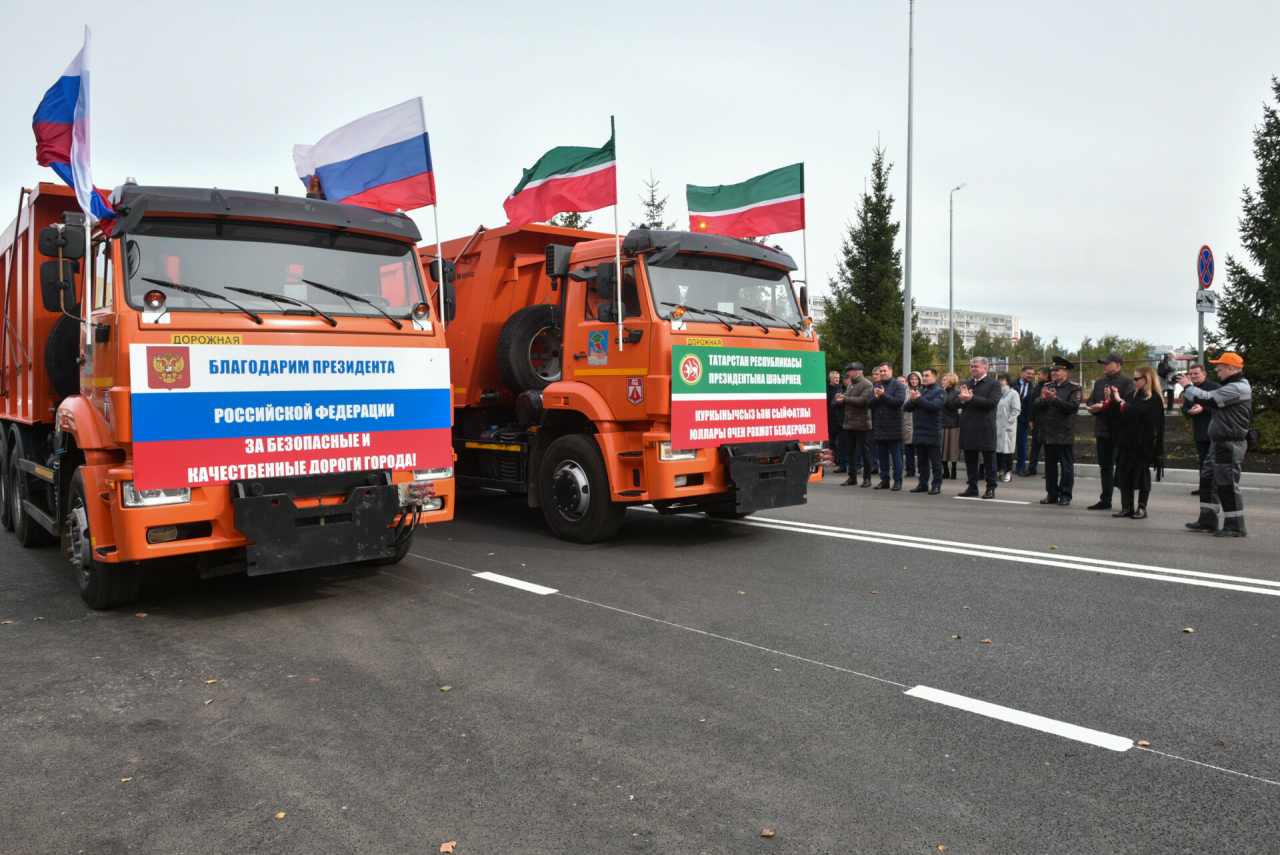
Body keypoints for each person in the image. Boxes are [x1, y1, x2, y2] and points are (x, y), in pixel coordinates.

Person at [1180, 353, 1253, 537]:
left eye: (1220, 370)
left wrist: (1187, 386)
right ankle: (1208, 520)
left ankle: (1235, 526)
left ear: (1230, 368)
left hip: (1228, 443)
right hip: (1219, 442)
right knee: (1208, 480)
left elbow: (1207, 399)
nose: (1218, 375)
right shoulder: (1233, 386)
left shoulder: (1237, 388)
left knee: (1227, 484)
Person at [1105, 365, 1164, 519]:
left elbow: (1140, 415)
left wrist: (1120, 401)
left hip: (1142, 443)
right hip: (1127, 441)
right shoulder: (1133, 395)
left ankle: (1142, 508)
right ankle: (1127, 507)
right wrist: (1111, 402)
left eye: (1137, 378)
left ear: (1148, 379)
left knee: (1141, 474)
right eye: (1134, 378)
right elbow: (1123, 415)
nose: (1134, 381)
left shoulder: (1154, 398)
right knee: (1124, 473)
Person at [1084, 353, 1136, 511]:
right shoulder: (1100, 382)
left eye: (1108, 363)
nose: (1104, 366)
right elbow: (1090, 400)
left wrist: (1108, 403)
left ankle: (1126, 504)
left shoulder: (1127, 382)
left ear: (1118, 365)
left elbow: (1128, 404)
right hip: (1102, 430)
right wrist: (1095, 407)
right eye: (1103, 363)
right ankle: (1106, 499)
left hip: (1119, 432)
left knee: (1122, 467)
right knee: (1105, 467)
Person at [945, 357, 1002, 499]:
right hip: (968, 427)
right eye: (972, 367)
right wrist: (963, 399)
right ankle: (972, 487)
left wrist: (972, 399)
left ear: (985, 368)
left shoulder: (993, 384)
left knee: (989, 460)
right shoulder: (968, 383)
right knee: (970, 460)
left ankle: (990, 488)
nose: (973, 369)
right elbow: (955, 402)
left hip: (985, 427)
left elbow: (992, 402)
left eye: (976, 366)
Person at [1034, 355, 1082, 506]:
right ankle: (1052, 493)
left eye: (1057, 371)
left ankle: (1066, 495)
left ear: (1066, 372)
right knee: (1050, 467)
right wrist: (1042, 399)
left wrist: (1055, 400)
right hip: (1048, 433)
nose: (1054, 373)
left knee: (1066, 467)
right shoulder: (1047, 386)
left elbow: (1072, 408)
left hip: (1063, 433)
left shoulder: (1074, 388)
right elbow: (1035, 406)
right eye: (1053, 370)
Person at [904, 367, 945, 494]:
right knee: (922, 462)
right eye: (924, 375)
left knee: (935, 462)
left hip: (932, 432)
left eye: (927, 375)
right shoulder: (920, 390)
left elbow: (934, 406)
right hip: (919, 432)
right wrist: (914, 399)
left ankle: (936, 485)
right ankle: (923, 484)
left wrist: (918, 399)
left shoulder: (940, 392)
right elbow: (907, 407)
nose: (924, 378)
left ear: (934, 378)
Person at [1180, 363, 1220, 490]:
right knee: (1203, 460)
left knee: (1214, 461)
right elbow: (1185, 408)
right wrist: (1190, 411)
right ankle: (1204, 487)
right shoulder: (1190, 390)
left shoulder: (1214, 387)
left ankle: (1215, 487)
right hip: (1199, 432)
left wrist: (1203, 409)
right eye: (1191, 374)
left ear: (1204, 374)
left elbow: (1220, 408)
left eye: (1196, 373)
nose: (1193, 376)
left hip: (1214, 432)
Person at [867, 363, 907, 490]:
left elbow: (898, 402)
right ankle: (884, 480)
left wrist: (883, 395)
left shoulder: (899, 386)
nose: (882, 373)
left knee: (896, 457)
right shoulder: (877, 386)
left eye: (884, 371)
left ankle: (898, 481)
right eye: (880, 371)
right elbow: (869, 404)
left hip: (894, 426)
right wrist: (876, 397)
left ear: (891, 371)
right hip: (880, 426)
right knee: (882, 457)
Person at [836, 363, 874, 487]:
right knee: (850, 452)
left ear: (858, 371)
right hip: (849, 423)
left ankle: (867, 478)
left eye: (850, 371)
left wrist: (845, 399)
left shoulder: (867, 384)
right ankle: (852, 477)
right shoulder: (851, 384)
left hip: (862, 424)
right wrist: (841, 399)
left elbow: (862, 401)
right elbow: (849, 403)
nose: (848, 374)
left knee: (865, 452)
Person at [1021, 366, 1051, 476]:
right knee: (1035, 446)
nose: (1037, 376)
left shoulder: (1051, 386)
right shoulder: (1036, 388)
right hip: (1037, 421)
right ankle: (1032, 468)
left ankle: (1049, 471)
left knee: (1048, 448)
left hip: (1048, 422)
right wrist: (1031, 420)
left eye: (1040, 374)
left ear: (1047, 375)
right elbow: (1032, 405)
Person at [995, 372, 1022, 482]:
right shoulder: (998, 393)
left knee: (1008, 449)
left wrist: (1009, 421)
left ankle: (1008, 471)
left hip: (1008, 425)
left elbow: (1016, 409)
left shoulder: (1013, 393)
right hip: (997, 424)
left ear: (1008, 381)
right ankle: (999, 470)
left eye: (1003, 380)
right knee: (998, 449)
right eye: (999, 380)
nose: (1000, 382)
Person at [940, 373, 962, 480]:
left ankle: (954, 469)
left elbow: (954, 405)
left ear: (951, 381)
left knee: (953, 448)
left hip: (953, 423)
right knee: (942, 448)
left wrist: (944, 394)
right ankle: (945, 470)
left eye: (945, 380)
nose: (942, 381)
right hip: (941, 422)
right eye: (942, 379)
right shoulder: (940, 391)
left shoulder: (957, 393)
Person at [1014, 366, 1036, 474]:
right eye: (1029, 373)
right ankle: (1004, 466)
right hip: (1011, 419)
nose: (1031, 376)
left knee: (1022, 445)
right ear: (1022, 373)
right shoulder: (1012, 384)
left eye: (1032, 374)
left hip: (1024, 420)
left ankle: (1021, 468)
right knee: (1007, 443)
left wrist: (1031, 420)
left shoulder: (1033, 387)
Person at [826, 370, 847, 472]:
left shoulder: (840, 388)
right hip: (830, 418)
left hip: (840, 418)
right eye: (835, 378)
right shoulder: (826, 389)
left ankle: (842, 459)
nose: (837, 379)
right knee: (832, 441)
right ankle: (833, 458)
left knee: (842, 441)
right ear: (830, 379)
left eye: (838, 378)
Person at [903, 372, 922, 478]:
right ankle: (910, 469)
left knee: (920, 448)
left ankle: (922, 469)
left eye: (916, 379)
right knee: (909, 447)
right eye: (912, 379)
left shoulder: (924, 391)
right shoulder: (906, 392)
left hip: (919, 421)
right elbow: (903, 405)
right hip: (908, 421)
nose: (914, 381)